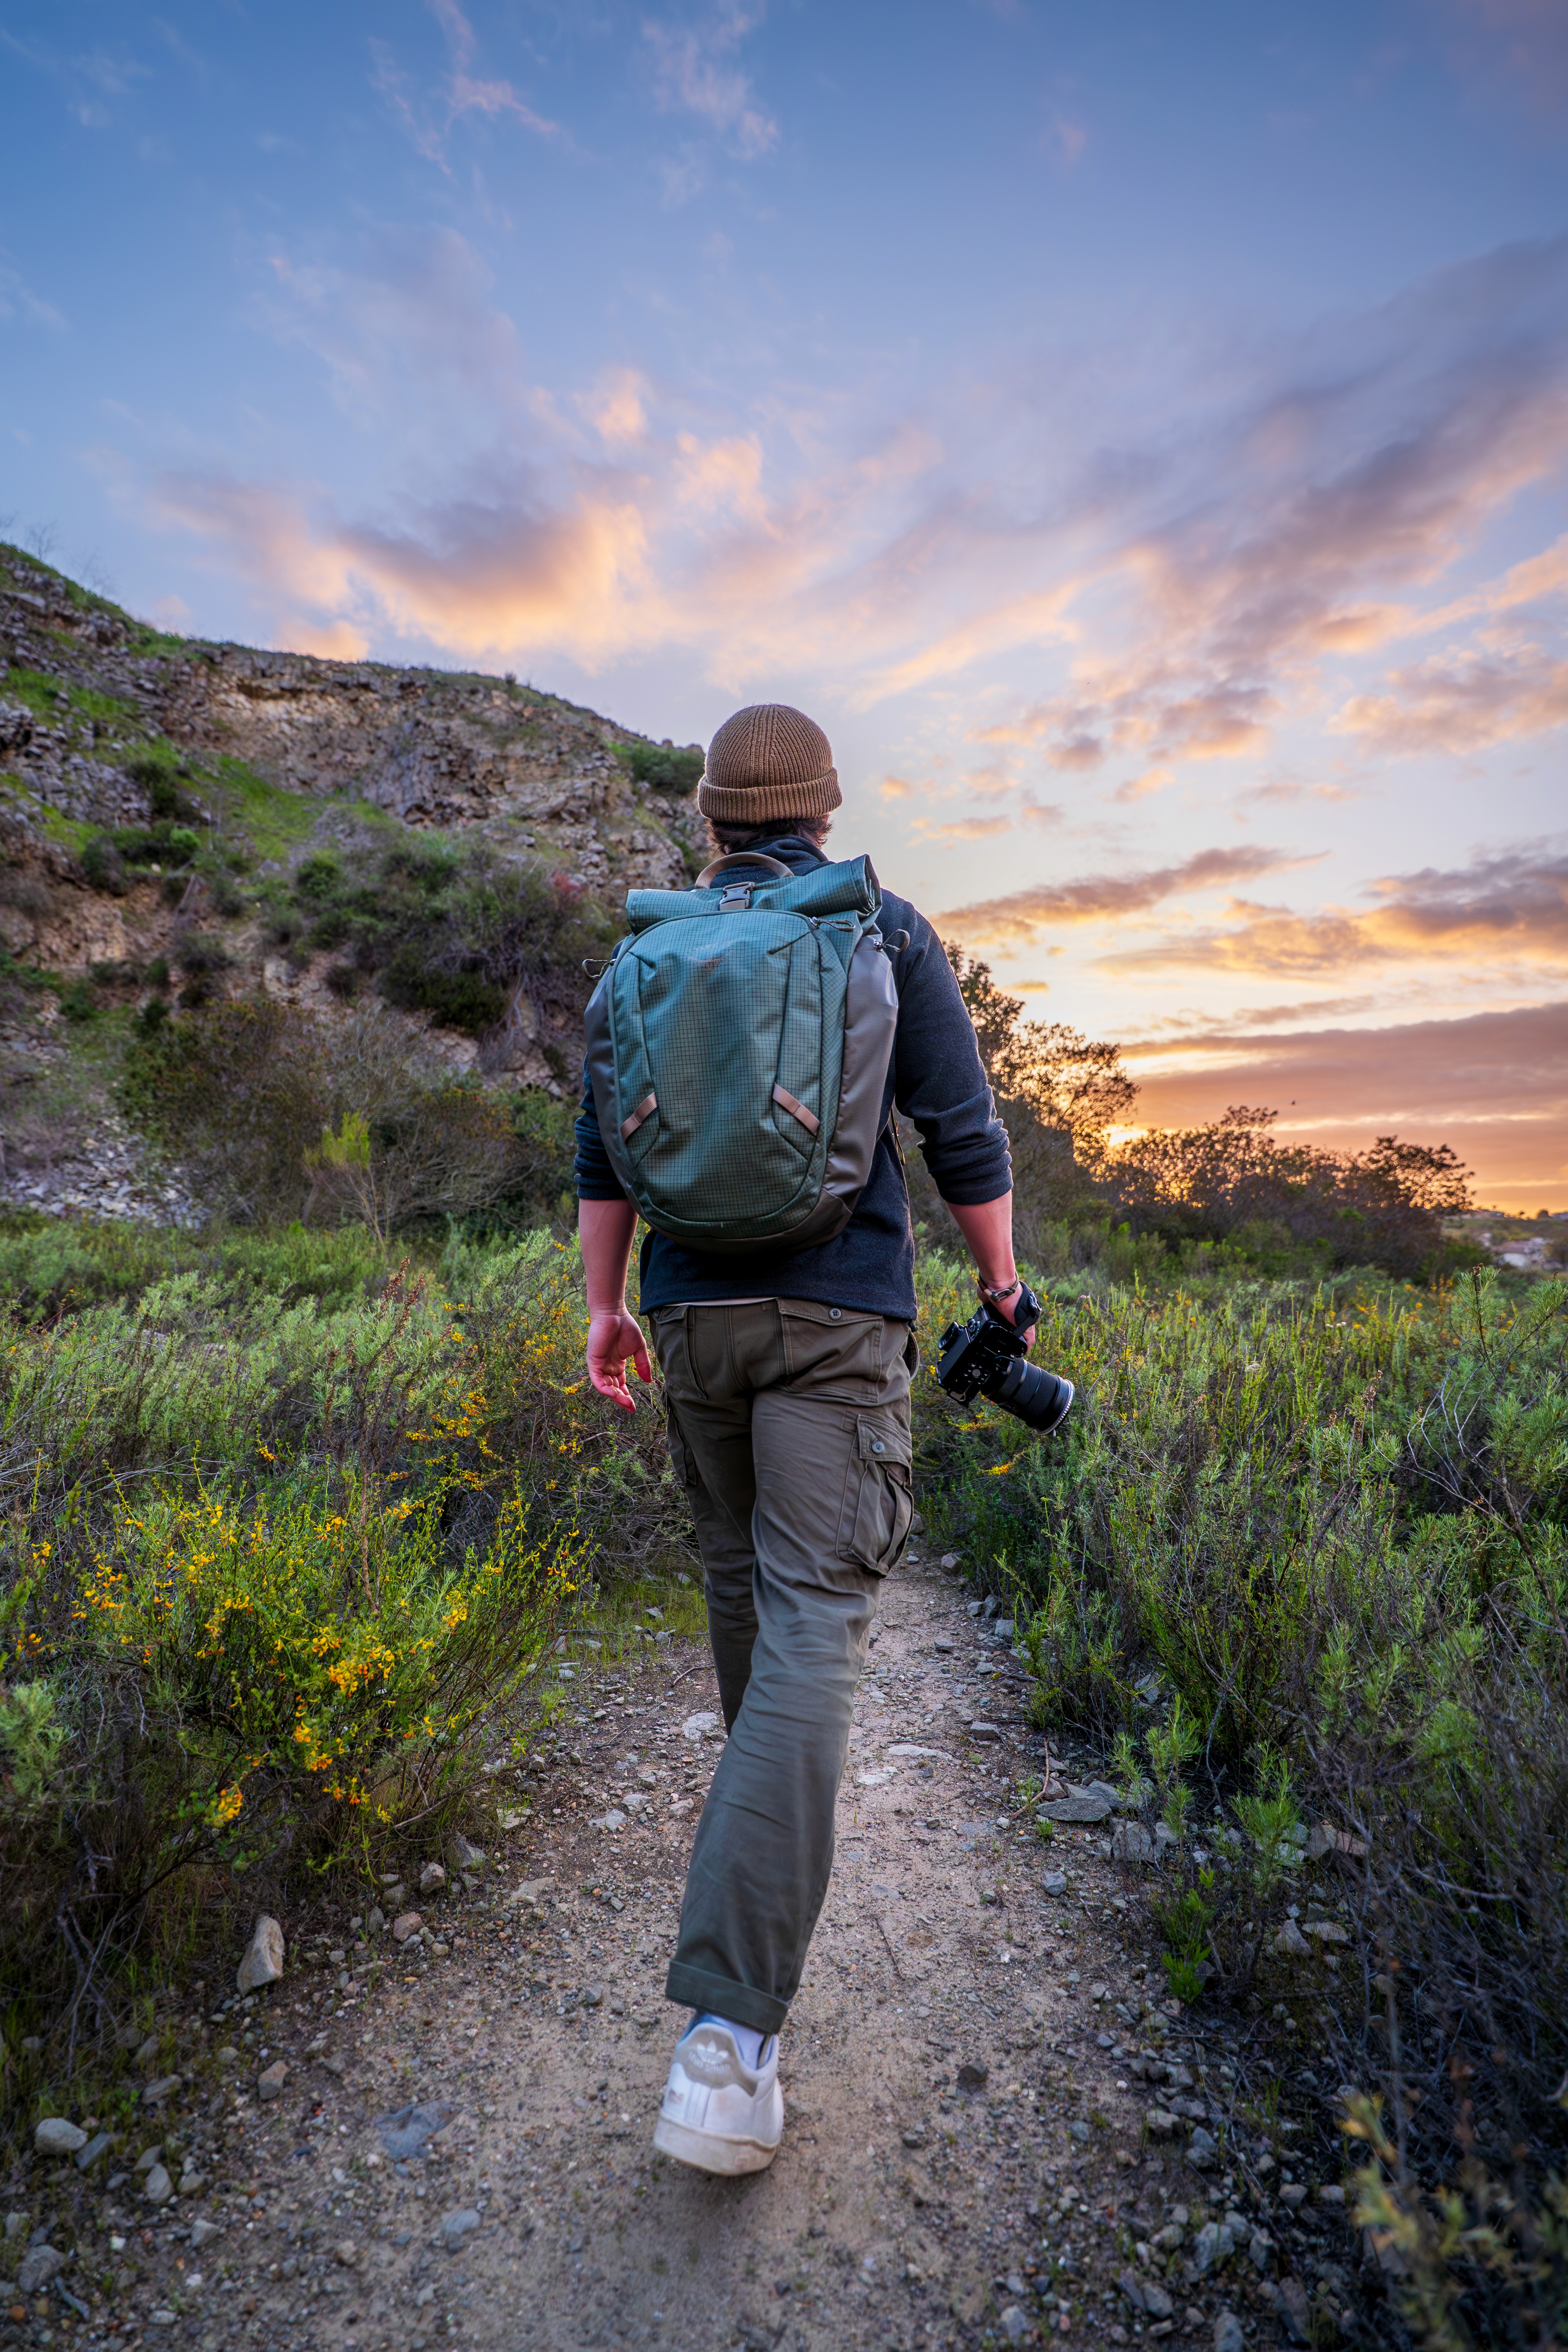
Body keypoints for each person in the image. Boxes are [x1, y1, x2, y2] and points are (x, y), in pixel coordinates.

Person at [573, 702, 1036, 2175]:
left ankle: (756, 1857)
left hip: (693, 1323)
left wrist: (606, 1309)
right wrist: (1002, 1287)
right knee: (817, 1623)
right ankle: (727, 2042)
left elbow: (601, 1155)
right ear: (826, 810)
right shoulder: (881, 929)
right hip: (839, 1324)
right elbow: (962, 1134)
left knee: (747, 1594)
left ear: (708, 814)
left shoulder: (645, 950)